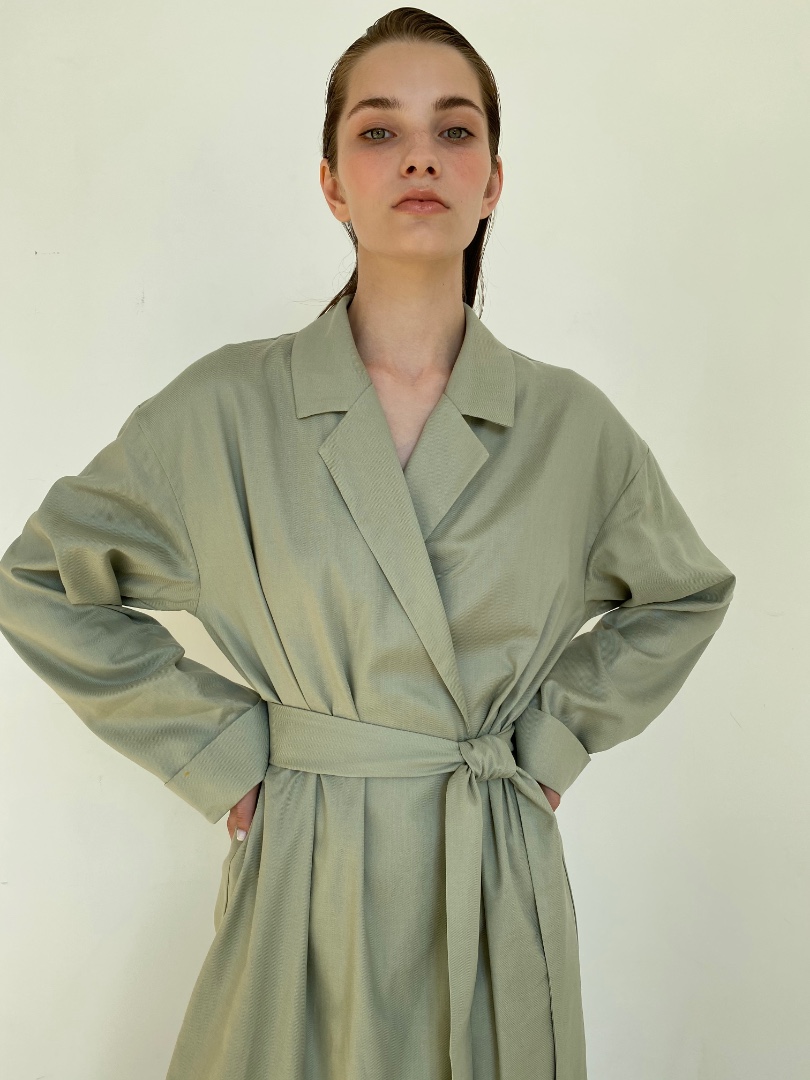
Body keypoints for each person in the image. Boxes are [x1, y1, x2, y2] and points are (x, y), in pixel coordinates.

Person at [0, 8, 736, 1080]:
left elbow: (682, 593)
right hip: (307, 866)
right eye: (380, 131)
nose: (420, 158)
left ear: (493, 181)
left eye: (455, 130)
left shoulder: (573, 429)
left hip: (491, 870)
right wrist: (219, 752)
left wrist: (552, 741)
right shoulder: (224, 411)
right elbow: (37, 579)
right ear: (333, 184)